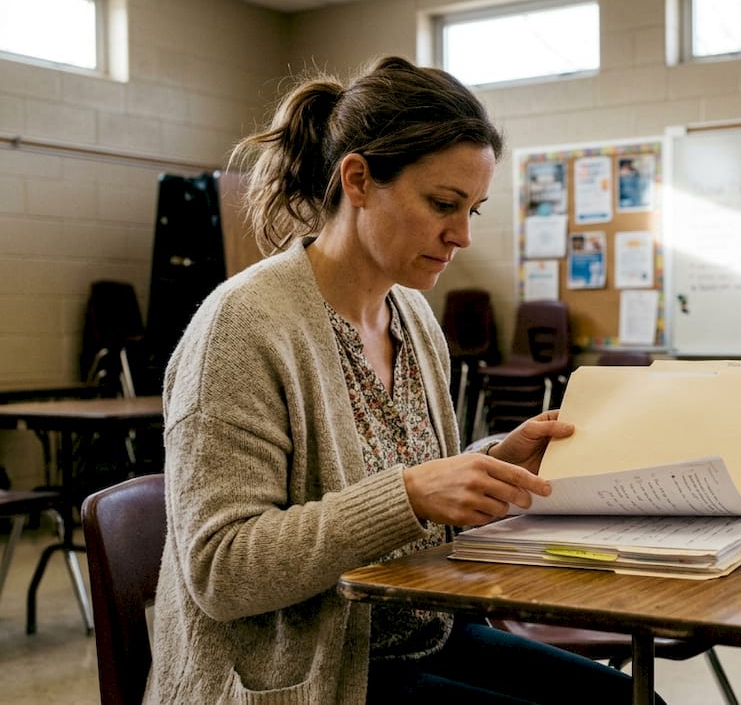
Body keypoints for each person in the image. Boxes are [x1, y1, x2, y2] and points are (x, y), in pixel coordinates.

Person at [145, 56, 654, 704]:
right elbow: (221, 570)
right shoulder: (243, 326)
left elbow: (419, 500)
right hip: (311, 673)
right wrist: (409, 496)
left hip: (420, 636)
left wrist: (493, 467)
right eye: (443, 204)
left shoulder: (411, 314)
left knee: (633, 701)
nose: (461, 236)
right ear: (358, 179)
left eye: (473, 210)